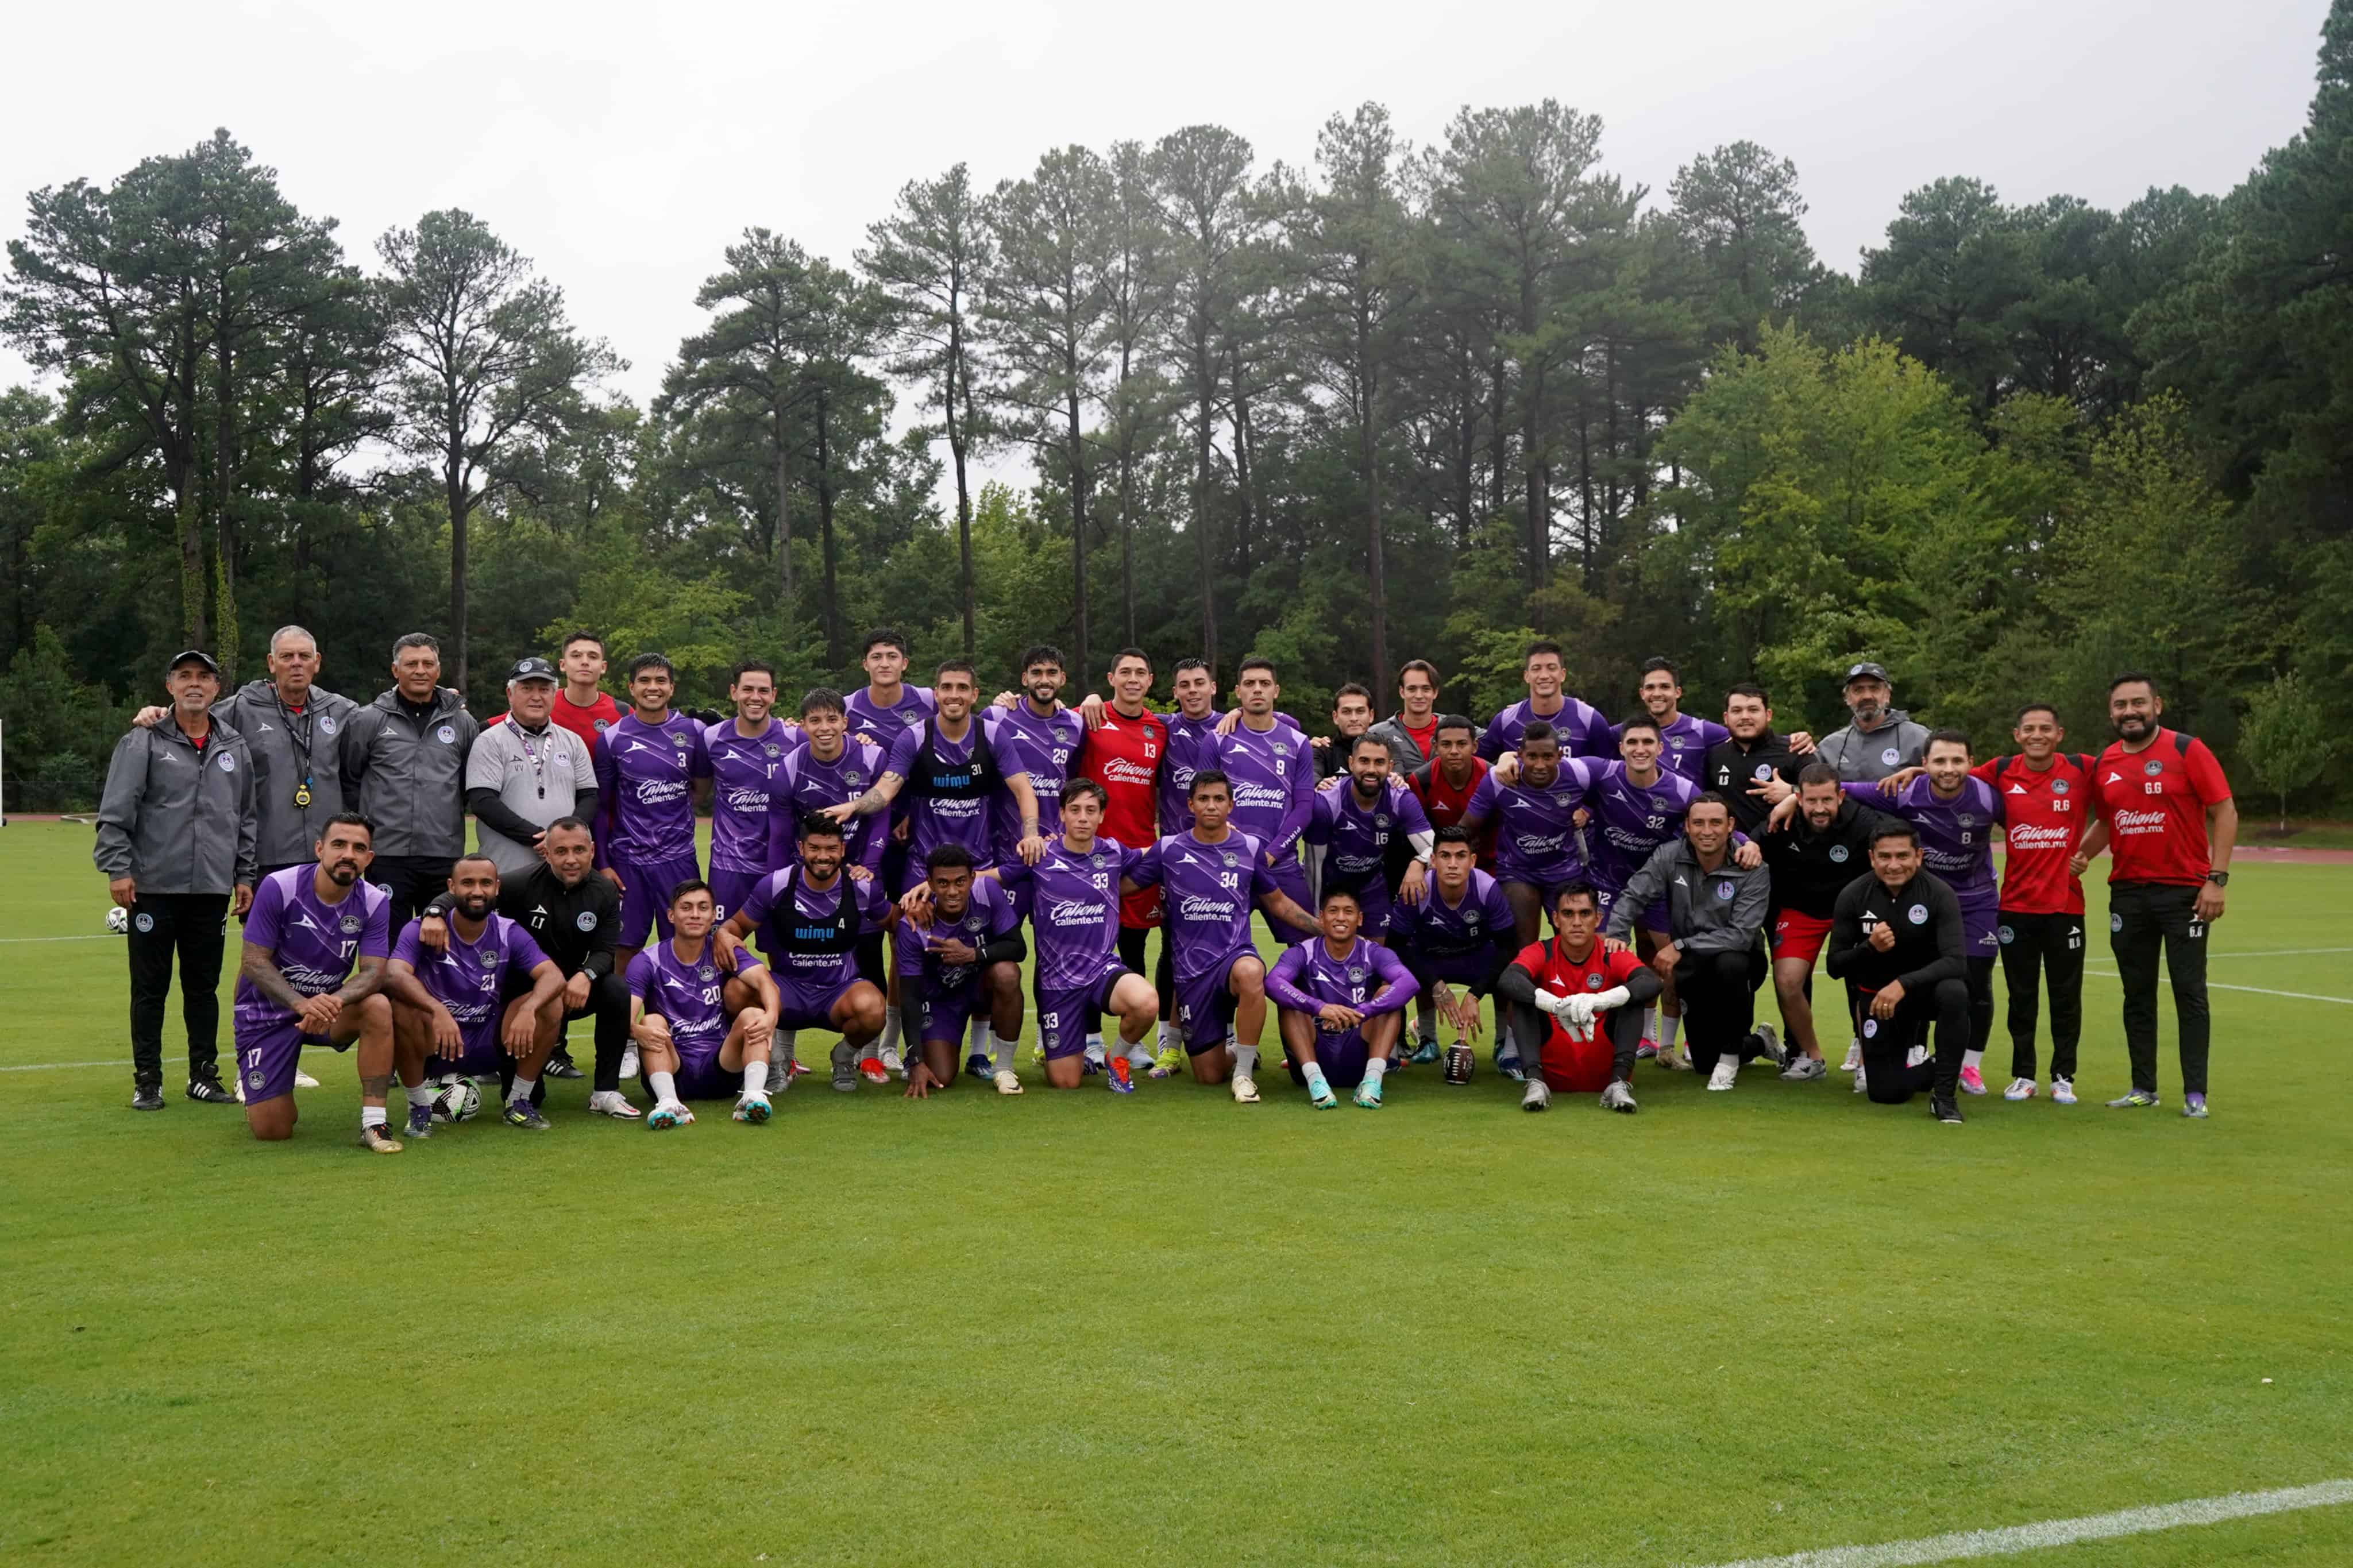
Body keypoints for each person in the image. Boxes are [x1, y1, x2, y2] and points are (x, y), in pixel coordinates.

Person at [831, 658, 1046, 1081]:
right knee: (906, 941)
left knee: (989, 954)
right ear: (936, 694)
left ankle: (986, 1055)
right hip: (922, 870)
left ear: (973, 695)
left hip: (978, 869)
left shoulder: (991, 735)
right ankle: (892, 1045)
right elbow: (888, 788)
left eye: (962, 688)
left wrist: (1033, 832)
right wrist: (855, 806)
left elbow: (1023, 788)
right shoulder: (916, 737)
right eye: (946, 687)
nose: (953, 695)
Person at [96, 648, 258, 1109]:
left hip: (210, 889)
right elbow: (116, 811)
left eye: (203, 677)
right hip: (152, 888)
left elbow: (245, 817)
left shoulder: (234, 745)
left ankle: (203, 1075)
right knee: (150, 988)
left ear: (215, 688)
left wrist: (244, 874)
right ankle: (148, 1079)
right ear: (169, 686)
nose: (194, 684)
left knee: (203, 987)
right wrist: (118, 868)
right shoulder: (143, 740)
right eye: (184, 676)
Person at [2070, 672, 2237, 1118]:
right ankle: (2144, 1086)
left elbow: (2224, 810)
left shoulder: (2187, 750)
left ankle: (2195, 1093)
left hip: (2185, 893)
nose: (2130, 712)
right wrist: (2080, 856)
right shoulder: (2105, 763)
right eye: (2121, 705)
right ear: (2111, 712)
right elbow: (2105, 822)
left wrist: (2216, 879)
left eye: (2138, 703)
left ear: (2157, 706)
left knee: (2189, 990)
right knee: (2137, 993)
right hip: (2127, 894)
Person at [414, 817, 635, 1118]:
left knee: (615, 990)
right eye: (561, 851)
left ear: (592, 851)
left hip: (572, 990)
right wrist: (435, 911)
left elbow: (605, 951)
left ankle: (605, 1092)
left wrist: (587, 975)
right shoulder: (520, 884)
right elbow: (473, 894)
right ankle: (517, 1079)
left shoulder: (605, 892)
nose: (571, 860)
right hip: (522, 997)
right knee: (536, 1098)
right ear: (548, 853)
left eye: (579, 850)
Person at [1125, 771, 1321, 1102]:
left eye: (1219, 799)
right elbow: (1125, 887)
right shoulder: (1169, 849)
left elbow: (1278, 903)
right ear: (1191, 805)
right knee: (1209, 1075)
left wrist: (1323, 929)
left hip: (1233, 958)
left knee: (1251, 972)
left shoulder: (1249, 847)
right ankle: (1239, 1056)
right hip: (1191, 975)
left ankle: (1243, 1074)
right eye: (1203, 799)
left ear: (1231, 805)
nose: (1211, 806)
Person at [1583, 716, 1762, 1072]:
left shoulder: (1680, 789)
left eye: (1647, 743)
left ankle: (1665, 1045)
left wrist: (1748, 842)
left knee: (1668, 962)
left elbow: (1715, 817)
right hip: (1608, 881)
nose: (1640, 749)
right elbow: (1553, 765)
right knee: (1603, 959)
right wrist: (1507, 762)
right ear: (1621, 748)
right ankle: (1601, 1045)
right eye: (1632, 742)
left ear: (1660, 749)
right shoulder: (1602, 772)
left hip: (1662, 883)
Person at [125, 624, 362, 880]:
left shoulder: (342, 712)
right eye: (286, 657)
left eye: (304, 657)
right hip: (267, 858)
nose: (296, 664)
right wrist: (161, 713)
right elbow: (194, 718)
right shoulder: (242, 708)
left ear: (316, 663)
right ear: (272, 663)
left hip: (328, 859)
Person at [230, 814, 400, 1149]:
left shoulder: (374, 901)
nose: (348, 854)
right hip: (267, 1013)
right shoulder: (280, 886)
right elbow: (252, 961)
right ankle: (269, 1080)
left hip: (326, 1011)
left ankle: (374, 1125)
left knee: (378, 1006)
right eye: (339, 845)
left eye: (359, 848)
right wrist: (300, 1003)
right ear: (320, 848)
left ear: (369, 858)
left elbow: (373, 972)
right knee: (273, 1129)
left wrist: (333, 1001)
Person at [1846, 731, 2001, 1094]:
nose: (1949, 769)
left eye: (1957, 761)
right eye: (1940, 761)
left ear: (1971, 764)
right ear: (1925, 764)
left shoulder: (1989, 799)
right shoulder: (1906, 793)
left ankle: (1969, 1065)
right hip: (1924, 901)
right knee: (1917, 974)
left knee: (1975, 981)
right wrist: (1791, 796)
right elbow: (1848, 789)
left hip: (1976, 901)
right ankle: (1916, 1051)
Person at [985, 779, 1160, 1092]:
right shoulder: (1039, 855)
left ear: (1102, 816)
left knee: (1146, 1002)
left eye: (1091, 810)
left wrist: (1199, 839)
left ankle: (1117, 1058)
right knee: (1066, 1082)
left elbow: (1155, 851)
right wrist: (933, 886)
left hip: (1101, 970)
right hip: (1057, 983)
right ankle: (1073, 1052)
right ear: (1062, 814)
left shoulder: (1113, 853)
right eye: (1076, 810)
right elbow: (994, 878)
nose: (1083, 817)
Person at [383, 853, 568, 1137]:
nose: (477, 891)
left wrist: (530, 1009)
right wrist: (437, 1010)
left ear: (497, 888)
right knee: (401, 1007)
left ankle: (519, 1102)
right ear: (452, 887)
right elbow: (394, 973)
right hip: (436, 1039)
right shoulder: (421, 929)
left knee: (550, 1004)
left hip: (488, 1039)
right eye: (468, 883)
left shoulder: (509, 932)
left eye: (485, 883)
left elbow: (553, 975)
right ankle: (419, 1108)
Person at [1603, 793, 1779, 1092]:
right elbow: (1634, 894)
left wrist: (1680, 946)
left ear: (1730, 825)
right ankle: (1761, 1041)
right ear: (1687, 826)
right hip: (1693, 965)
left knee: (1730, 962)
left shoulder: (1754, 868)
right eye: (1698, 823)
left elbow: (1740, 935)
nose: (1706, 831)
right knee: (1703, 1062)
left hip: (1741, 963)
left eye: (1715, 823)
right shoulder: (1669, 856)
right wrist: (1617, 935)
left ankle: (1730, 1060)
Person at [773, 688, 897, 1083]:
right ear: (804, 725)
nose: (824, 728)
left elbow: (880, 818)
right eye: (815, 720)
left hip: (858, 873)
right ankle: (785, 1057)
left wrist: (870, 866)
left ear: (846, 722)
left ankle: (868, 1056)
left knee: (868, 953)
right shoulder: (789, 769)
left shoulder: (873, 757)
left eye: (832, 719)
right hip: (808, 877)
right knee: (788, 963)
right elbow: (779, 837)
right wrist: (782, 886)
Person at [721, 819, 895, 1094]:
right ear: (801, 848)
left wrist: (918, 904)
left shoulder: (861, 887)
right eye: (814, 848)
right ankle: (776, 1059)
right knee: (734, 991)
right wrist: (723, 934)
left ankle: (844, 1057)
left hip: (838, 993)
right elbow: (736, 927)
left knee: (873, 1007)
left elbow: (896, 921)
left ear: (843, 849)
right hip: (785, 993)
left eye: (831, 849)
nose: (823, 856)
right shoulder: (777, 884)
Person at [1976, 705, 2095, 1103]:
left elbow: (2119, 804)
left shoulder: (2082, 768)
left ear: (2060, 734)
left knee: (2066, 996)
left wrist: (2088, 852)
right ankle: (2023, 1075)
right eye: (2030, 729)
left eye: (2046, 729)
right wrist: (1913, 771)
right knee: (2021, 996)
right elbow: (1950, 779)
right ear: (2017, 735)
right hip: (2016, 907)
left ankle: (2064, 1077)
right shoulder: (2000, 770)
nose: (2037, 735)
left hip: (2066, 907)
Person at [1825, 823, 1972, 1123]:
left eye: (1903, 856)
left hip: (1923, 994)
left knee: (1955, 991)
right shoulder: (1853, 895)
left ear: (1918, 856)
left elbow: (1956, 961)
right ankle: (1937, 1065)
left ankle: (1944, 1097)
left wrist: (1903, 983)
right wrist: (1869, 948)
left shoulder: (1939, 893)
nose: (1894, 865)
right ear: (1872, 858)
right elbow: (1834, 967)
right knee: (1884, 1093)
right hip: (1880, 1002)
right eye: (1885, 856)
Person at [1072, 647, 1174, 1075]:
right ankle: (1091, 1042)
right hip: (1091, 852)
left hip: (1140, 853)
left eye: (1141, 673)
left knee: (1134, 946)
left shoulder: (1160, 729)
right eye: (1125, 672)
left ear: (1150, 681)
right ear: (1111, 678)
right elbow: (1045, 714)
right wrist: (1088, 701)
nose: (1133, 679)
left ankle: (1129, 1044)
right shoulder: (1088, 717)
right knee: (1088, 946)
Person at [1759, 765, 1891, 1087]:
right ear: (1798, 798)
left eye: (1827, 801)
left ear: (1841, 797)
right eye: (1812, 801)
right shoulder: (1783, 819)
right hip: (1801, 910)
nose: (1820, 809)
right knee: (1787, 981)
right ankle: (1811, 1056)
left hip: (1854, 912)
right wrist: (1748, 846)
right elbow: (1749, 842)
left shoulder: (1864, 822)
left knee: (1867, 979)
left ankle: (1866, 1062)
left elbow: (1894, 847)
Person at [340, 633, 478, 926]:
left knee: (441, 946)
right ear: (395, 670)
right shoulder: (369, 719)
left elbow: (468, 782)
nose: (420, 670)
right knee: (387, 947)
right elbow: (351, 778)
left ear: (438, 670)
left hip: (443, 854)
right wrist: (370, 825)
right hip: (387, 853)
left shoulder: (463, 722)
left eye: (428, 663)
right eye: (411, 663)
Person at [592, 652, 713, 978]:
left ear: (672, 688)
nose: (653, 687)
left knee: (684, 944)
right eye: (644, 681)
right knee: (625, 948)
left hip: (678, 860)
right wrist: (603, 864)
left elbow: (700, 789)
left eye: (661, 681)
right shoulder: (612, 738)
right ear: (631, 688)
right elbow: (602, 807)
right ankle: (625, 1025)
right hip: (628, 863)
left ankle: (676, 1023)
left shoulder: (693, 732)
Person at [626, 879, 782, 1129]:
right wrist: (636, 1031)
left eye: (703, 908)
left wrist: (771, 1016)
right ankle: (668, 1103)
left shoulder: (723, 951)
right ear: (671, 915)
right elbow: (626, 1015)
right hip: (673, 1065)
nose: (695, 915)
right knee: (651, 1021)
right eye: (686, 908)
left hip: (720, 1067)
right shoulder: (647, 961)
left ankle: (752, 1097)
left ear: (713, 915)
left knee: (755, 1014)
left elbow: (766, 983)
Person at [1494, 882, 1661, 1113]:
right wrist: (1554, 1004)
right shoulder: (1541, 951)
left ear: (1598, 919)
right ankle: (1535, 1082)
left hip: (1606, 1073)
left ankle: (1619, 1084)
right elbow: (1508, 980)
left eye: (1585, 914)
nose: (1576, 922)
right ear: (1555, 919)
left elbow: (1651, 982)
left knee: (1632, 996)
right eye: (1568, 914)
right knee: (1523, 996)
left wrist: (1600, 1000)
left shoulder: (1610, 953)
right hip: (1550, 1074)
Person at [1459, 720, 1602, 965]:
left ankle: (1576, 1002)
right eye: (1532, 756)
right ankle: (1528, 1002)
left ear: (1560, 755)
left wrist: (1588, 809)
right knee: (1523, 951)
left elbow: (1619, 780)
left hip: (1565, 870)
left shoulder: (1580, 772)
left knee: (1577, 945)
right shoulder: (1499, 779)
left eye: (1547, 756)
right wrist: (1430, 860)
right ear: (1520, 755)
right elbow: (1465, 828)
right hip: (1518, 871)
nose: (1539, 765)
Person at [891, 845, 1027, 1096]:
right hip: (941, 1001)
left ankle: (1004, 1068)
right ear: (929, 883)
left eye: (960, 882)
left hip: (979, 987)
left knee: (1007, 973)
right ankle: (915, 1060)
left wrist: (971, 954)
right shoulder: (913, 925)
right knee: (941, 1076)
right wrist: (916, 1060)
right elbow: (909, 996)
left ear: (973, 878)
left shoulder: (988, 892)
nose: (952, 891)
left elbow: (1018, 948)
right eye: (942, 883)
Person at [1266, 887, 1419, 1108]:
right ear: (1321, 918)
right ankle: (1316, 1082)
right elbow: (1273, 982)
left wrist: (1365, 1012)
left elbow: (1408, 983)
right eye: (1333, 911)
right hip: (1314, 1052)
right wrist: (1319, 1007)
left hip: (1359, 1055)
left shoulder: (1373, 952)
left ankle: (1372, 1083)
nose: (1340, 917)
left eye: (1348, 912)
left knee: (1387, 996)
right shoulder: (1303, 952)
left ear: (1360, 919)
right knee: (1289, 1001)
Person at [1387, 827, 1517, 1072]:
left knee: (1512, 974)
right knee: (1397, 971)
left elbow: (1508, 946)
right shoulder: (1417, 888)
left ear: (1473, 861)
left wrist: (1475, 994)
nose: (1453, 864)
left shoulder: (1487, 889)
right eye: (1445, 856)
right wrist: (1435, 984)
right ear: (1433, 861)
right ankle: (1427, 1039)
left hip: (1476, 957)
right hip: (1432, 958)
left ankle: (1504, 1045)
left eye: (1461, 856)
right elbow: (1395, 945)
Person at [1210, 658, 1319, 948]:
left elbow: (1305, 806)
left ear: (1276, 691)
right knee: (1221, 956)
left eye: (1264, 684)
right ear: (1238, 691)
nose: (1257, 690)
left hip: (1281, 865)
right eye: (1249, 684)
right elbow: (1204, 803)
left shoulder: (1298, 741)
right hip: (1230, 863)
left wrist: (1271, 854)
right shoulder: (1218, 740)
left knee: (1308, 953)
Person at [465, 658, 600, 887]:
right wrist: (541, 838)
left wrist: (561, 840)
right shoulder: (489, 740)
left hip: (564, 870)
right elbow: (483, 802)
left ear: (554, 695)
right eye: (527, 688)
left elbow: (590, 796)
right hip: (508, 869)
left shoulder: (572, 741)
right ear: (510, 693)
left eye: (544, 689)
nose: (536, 697)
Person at [1305, 732, 1434, 941]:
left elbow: (1436, 849)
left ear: (1390, 767)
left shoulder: (1401, 798)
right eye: (1364, 761)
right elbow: (1313, 867)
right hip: (1330, 888)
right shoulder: (1326, 802)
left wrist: (1419, 862)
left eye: (1379, 762)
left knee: (1375, 954)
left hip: (1372, 887)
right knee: (1330, 953)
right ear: (1351, 763)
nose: (1371, 770)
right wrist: (1315, 912)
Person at [704, 661, 794, 922]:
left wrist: (861, 738)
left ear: (774, 695)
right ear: (734, 692)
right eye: (748, 689)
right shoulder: (711, 739)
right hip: (728, 866)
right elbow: (698, 789)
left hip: (779, 864)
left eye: (764, 691)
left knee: (781, 951)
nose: (756, 698)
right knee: (722, 945)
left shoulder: (795, 738)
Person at [1703, 683, 1812, 839]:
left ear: (1768, 715)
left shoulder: (1795, 750)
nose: (1745, 717)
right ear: (1726, 718)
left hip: (1789, 854)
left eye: (1753, 710)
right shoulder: (1715, 756)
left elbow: (1827, 792)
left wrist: (1793, 791)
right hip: (1734, 853)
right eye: (1737, 711)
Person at [1477, 639, 1611, 761]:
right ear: (1527, 676)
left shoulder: (1589, 719)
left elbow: (1610, 772)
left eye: (1551, 668)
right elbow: (1475, 763)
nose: (1544, 676)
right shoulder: (1506, 721)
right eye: (1536, 669)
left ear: (1563, 674)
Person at [1611, 658, 1730, 782]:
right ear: (1642, 694)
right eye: (1650, 688)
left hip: (1690, 801)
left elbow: (1746, 746)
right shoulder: (1621, 732)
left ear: (1677, 692)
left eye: (1665, 687)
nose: (1657, 694)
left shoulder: (1703, 731)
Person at [1813, 662, 1929, 783]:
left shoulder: (1920, 738)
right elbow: (1808, 786)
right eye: (1858, 690)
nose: (1867, 696)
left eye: (1875, 688)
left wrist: (1918, 772)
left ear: (1887, 695)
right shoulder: (1830, 747)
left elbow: (1946, 776)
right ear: (1847, 698)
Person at [844, 627, 938, 748]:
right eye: (876, 657)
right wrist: (847, 742)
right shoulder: (847, 707)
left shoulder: (928, 700)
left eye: (892, 657)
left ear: (904, 664)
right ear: (866, 665)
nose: (884, 664)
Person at [538, 631, 624, 746]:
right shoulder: (541, 705)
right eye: (576, 656)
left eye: (593, 657)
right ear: (563, 665)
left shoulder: (622, 713)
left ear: (603, 667)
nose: (585, 662)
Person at [1366, 659, 1444, 776]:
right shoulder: (1376, 734)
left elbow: (1480, 741)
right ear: (1402, 692)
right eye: (1412, 689)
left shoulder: (1454, 729)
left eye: (1426, 689)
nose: (1419, 696)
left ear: (1435, 692)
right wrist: (1328, 745)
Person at [1314, 683, 1376, 780]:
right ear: (1336, 717)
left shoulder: (1386, 751)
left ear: (1371, 716)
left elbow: (1397, 775)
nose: (1354, 718)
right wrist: (1319, 784)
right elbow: (1313, 775)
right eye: (1347, 712)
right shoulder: (1323, 752)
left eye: (1360, 711)